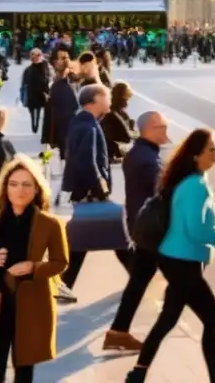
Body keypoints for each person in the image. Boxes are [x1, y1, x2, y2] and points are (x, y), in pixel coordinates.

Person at [126, 129, 215, 383]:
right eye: (211, 150)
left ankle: (138, 373)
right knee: (211, 317)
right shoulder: (195, 186)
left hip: (175, 259)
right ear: (196, 156)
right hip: (183, 262)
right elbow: (195, 229)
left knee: (169, 317)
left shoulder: (189, 181)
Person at [0, 155, 68, 382]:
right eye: (13, 184)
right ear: (5, 188)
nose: (19, 190)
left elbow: (61, 263)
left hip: (32, 306)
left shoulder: (50, 224)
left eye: (26, 184)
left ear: (36, 189)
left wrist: (33, 267)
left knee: (24, 373)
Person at [105, 111, 170, 352]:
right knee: (188, 286)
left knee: (139, 281)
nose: (166, 131)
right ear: (151, 128)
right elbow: (160, 196)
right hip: (152, 231)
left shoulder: (140, 154)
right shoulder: (149, 160)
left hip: (143, 229)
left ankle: (118, 332)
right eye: (163, 126)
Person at [60, 83, 127, 297]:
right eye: (106, 97)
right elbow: (86, 161)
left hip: (85, 193)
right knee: (117, 238)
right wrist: (101, 188)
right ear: (95, 99)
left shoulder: (84, 122)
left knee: (84, 242)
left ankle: (63, 285)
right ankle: (141, 278)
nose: (109, 101)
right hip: (90, 193)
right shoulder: (87, 125)